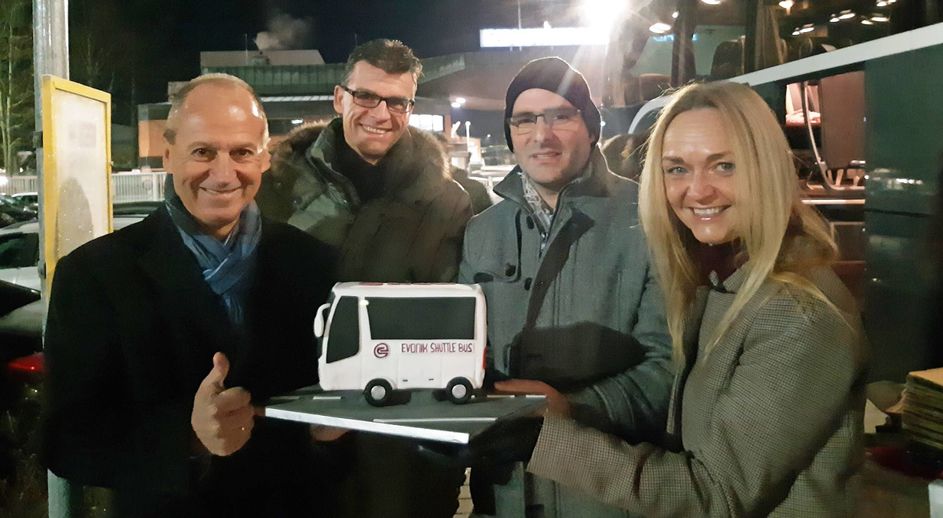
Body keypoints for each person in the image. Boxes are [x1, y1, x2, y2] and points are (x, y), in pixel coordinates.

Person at [487, 81, 867, 516]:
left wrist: (545, 441)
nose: (698, 191)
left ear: (768, 168)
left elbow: (717, 495)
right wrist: (562, 411)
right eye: (677, 169)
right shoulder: (715, 283)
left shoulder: (797, 314)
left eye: (724, 166)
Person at [42, 74, 338, 517]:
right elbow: (65, 441)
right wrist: (188, 436)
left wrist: (334, 433)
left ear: (264, 159)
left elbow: (333, 428)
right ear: (168, 156)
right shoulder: (96, 274)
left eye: (241, 152)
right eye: (203, 152)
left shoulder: (314, 263)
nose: (224, 174)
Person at [257, 38, 472, 518]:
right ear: (339, 99)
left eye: (397, 101)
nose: (381, 113)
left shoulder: (447, 201)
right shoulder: (275, 186)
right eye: (367, 96)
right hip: (295, 438)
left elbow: (453, 318)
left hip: (404, 446)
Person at [458, 56, 673, 517]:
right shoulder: (483, 231)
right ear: (511, 133)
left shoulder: (650, 219)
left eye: (561, 116)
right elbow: (464, 350)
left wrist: (571, 410)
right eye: (525, 120)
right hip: (505, 492)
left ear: (591, 128)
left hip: (603, 494)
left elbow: (671, 365)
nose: (542, 135)